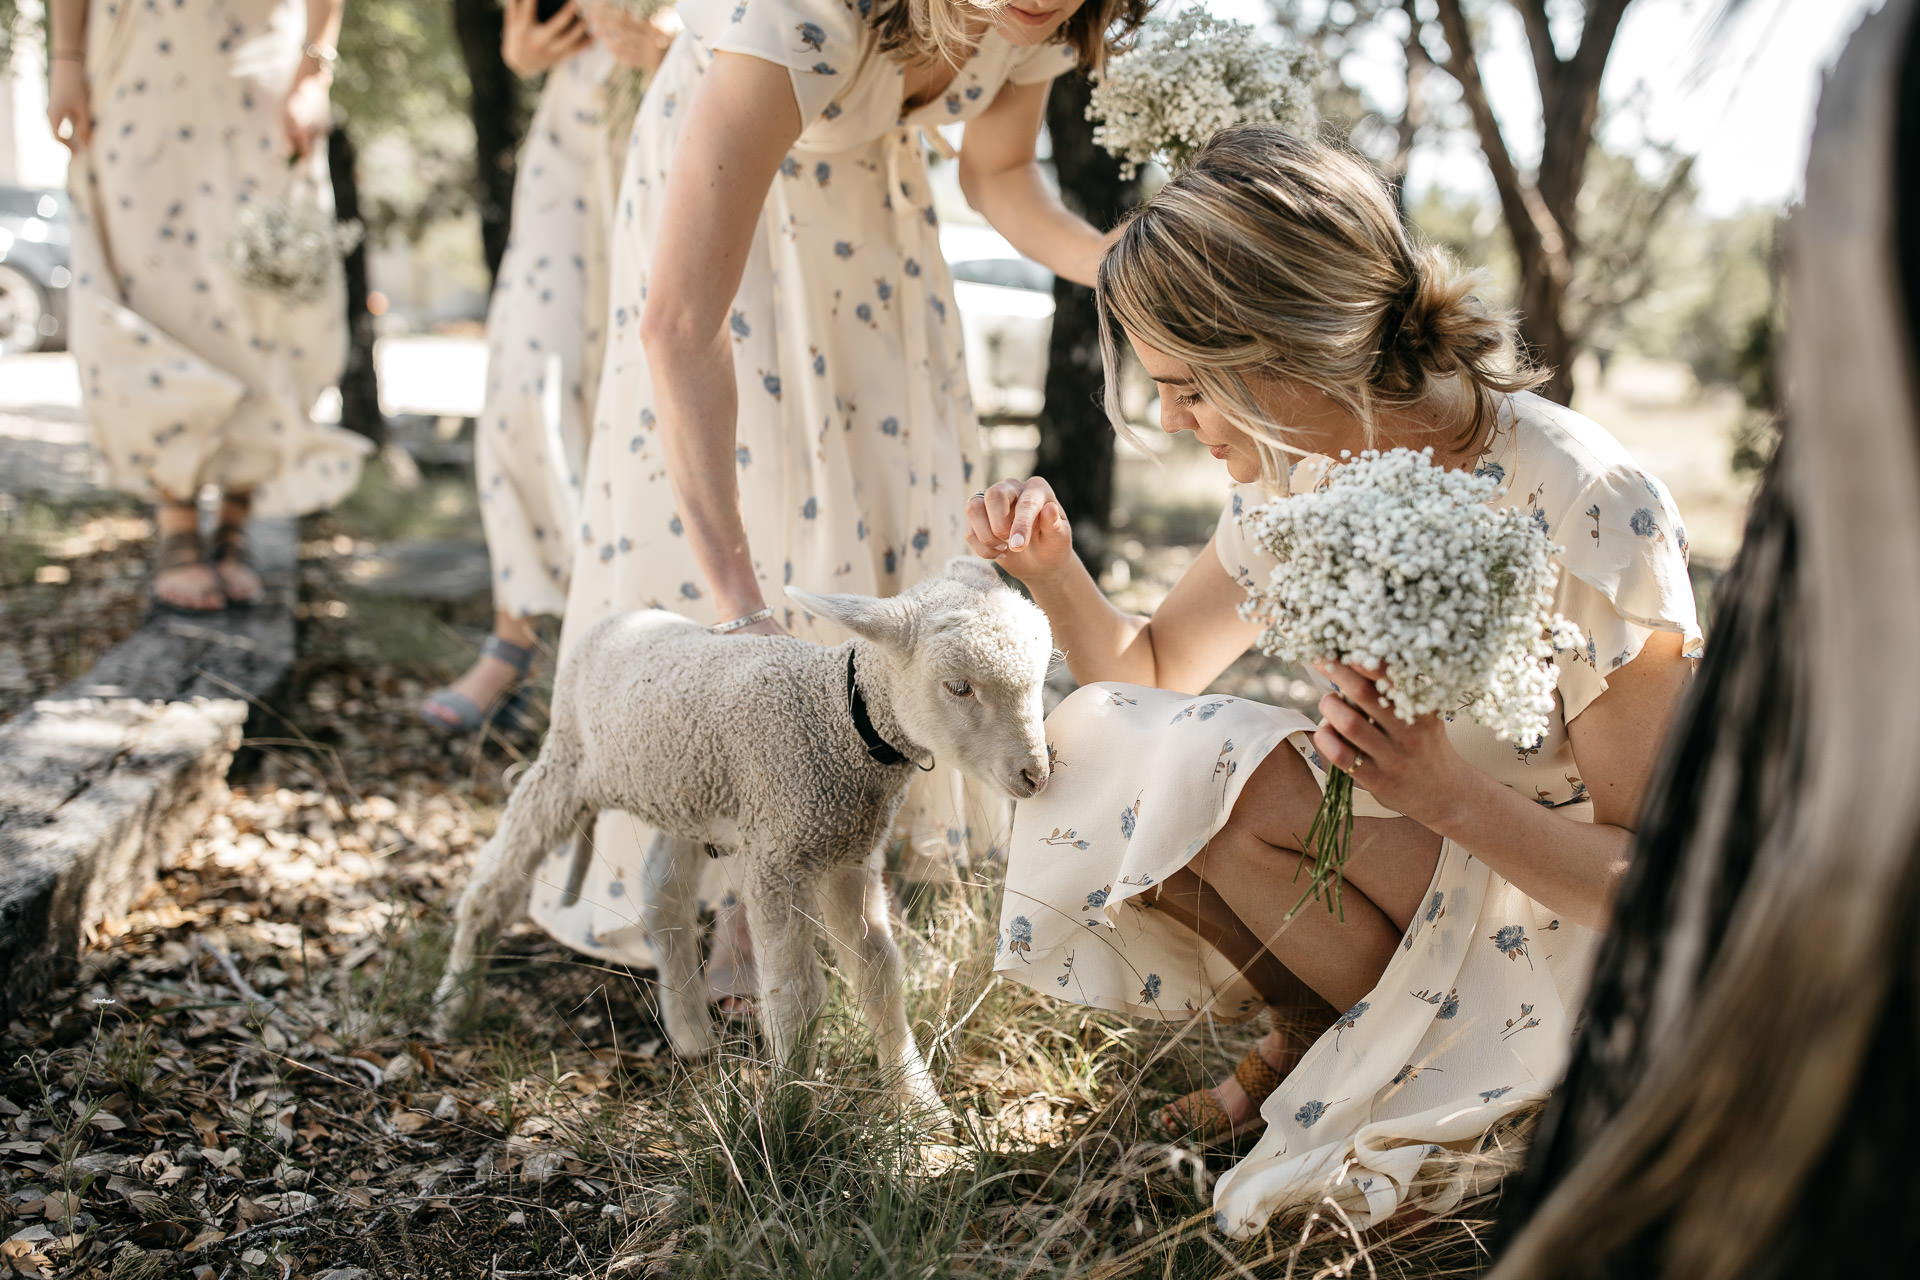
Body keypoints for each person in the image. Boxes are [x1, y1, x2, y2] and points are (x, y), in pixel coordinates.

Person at [972, 126, 1699, 1238]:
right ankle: (1313, 1033)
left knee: (1347, 1208)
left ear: (1285, 352)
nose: (1173, 419)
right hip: (1421, 857)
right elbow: (1151, 670)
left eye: (1189, 388)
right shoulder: (1300, 466)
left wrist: (1446, 790)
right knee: (1117, 734)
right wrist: (1053, 568)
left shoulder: (1589, 498)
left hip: (1556, 921)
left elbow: (1657, 881)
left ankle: (1405, 1068)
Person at [523, 0, 1149, 997]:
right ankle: (731, 887)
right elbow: (681, 325)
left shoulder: (1031, 13)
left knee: (883, 478)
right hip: (736, 222)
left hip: (871, 221)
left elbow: (999, 172)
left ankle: (865, 835)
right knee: (770, 477)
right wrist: (741, 610)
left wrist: (1125, 265)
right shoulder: (804, 12)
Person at [45, 0, 371, 611]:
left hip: (258, 68)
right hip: (134, 59)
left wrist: (314, 72)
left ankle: (237, 519)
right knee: (148, 285)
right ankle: (176, 519)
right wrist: (65, 58)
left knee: (259, 294)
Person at [423, 0, 676, 731]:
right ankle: (519, 636)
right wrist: (525, 44)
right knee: (523, 376)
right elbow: (519, 39)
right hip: (572, 130)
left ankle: (621, 652)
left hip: (686, 111)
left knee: (649, 390)